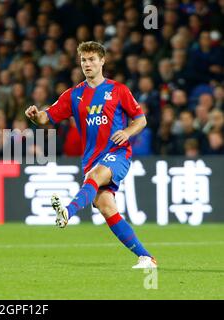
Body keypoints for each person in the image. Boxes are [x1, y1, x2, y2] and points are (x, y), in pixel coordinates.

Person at [25, 41, 156, 269]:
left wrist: (126, 132)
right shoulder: (74, 95)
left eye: (92, 59)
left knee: (95, 177)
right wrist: (35, 116)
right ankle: (146, 258)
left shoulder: (118, 90)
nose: (87, 64)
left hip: (117, 154)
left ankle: (67, 211)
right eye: (84, 60)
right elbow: (47, 117)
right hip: (91, 159)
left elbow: (141, 119)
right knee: (107, 208)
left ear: (102, 61)